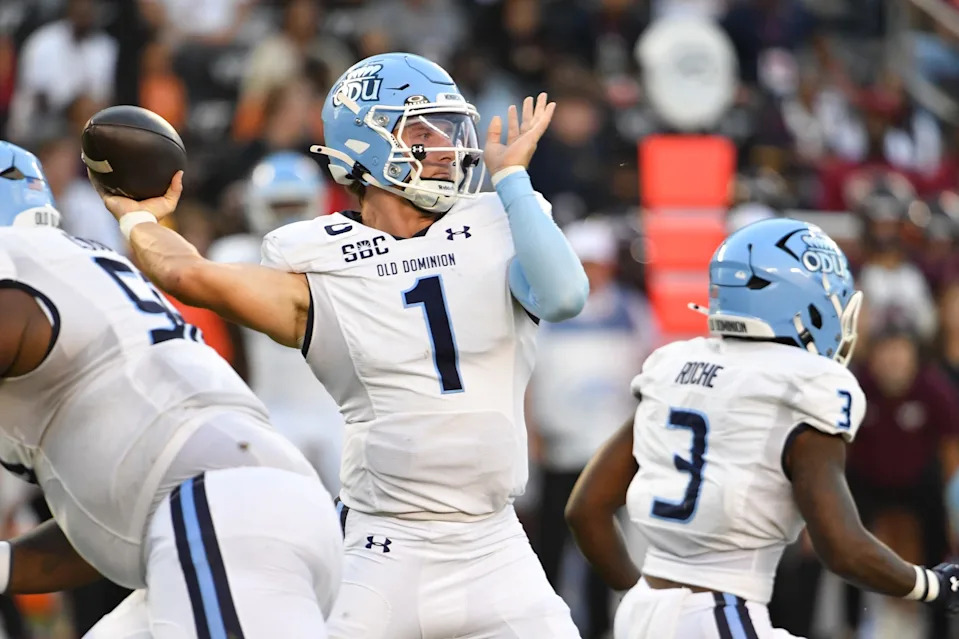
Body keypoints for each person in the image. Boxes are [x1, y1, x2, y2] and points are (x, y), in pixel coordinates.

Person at [91, 52, 589, 638]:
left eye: (455, 130)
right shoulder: (320, 267)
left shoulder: (497, 222)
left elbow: (563, 296)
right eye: (427, 131)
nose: (452, 148)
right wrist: (141, 221)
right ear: (368, 142)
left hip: (494, 546)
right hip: (383, 549)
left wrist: (513, 181)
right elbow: (187, 275)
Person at [0, 140, 342, 638]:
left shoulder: (15, 258)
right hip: (237, 513)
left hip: (217, 516)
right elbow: (102, 522)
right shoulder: (64, 263)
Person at [565, 217, 959, 639]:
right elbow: (842, 549)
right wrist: (934, 584)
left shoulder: (674, 363)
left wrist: (644, 596)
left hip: (643, 611)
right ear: (805, 304)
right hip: (721, 608)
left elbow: (586, 510)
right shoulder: (807, 383)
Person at [207, 151, 345, 494]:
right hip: (270, 409)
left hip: (336, 410)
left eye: (295, 204)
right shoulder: (234, 256)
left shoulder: (341, 252)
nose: (289, 216)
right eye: (279, 206)